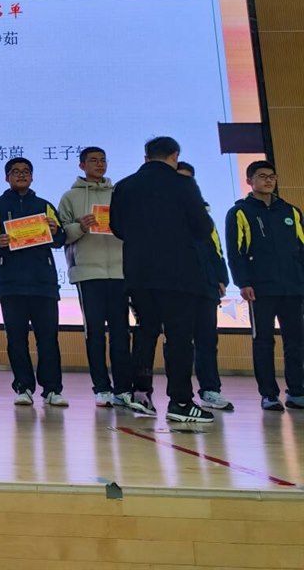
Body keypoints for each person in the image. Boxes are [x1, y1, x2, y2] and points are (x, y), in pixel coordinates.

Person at [110, 137, 216, 423]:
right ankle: (180, 402)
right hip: (179, 274)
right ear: (175, 155)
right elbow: (203, 228)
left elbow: (117, 227)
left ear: (146, 157)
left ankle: (140, 394)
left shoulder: (124, 185)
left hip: (138, 273)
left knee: (146, 332)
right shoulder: (183, 184)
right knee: (179, 338)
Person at [0, 157, 68, 407]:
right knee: (17, 340)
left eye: (26, 171)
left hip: (43, 284)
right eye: (15, 171)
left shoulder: (44, 206)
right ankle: (23, 387)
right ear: (6, 177)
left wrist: (55, 231)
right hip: (11, 284)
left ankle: (52, 390)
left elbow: (60, 238)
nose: (21, 175)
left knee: (48, 339)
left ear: (32, 176)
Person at [58, 147, 138, 410]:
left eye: (103, 160)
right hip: (88, 273)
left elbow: (133, 228)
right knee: (94, 333)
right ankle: (101, 388)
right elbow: (61, 235)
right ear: (81, 165)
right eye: (93, 160)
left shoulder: (119, 194)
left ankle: (123, 388)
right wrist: (80, 226)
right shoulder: (70, 197)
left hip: (119, 271)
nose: (99, 164)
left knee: (120, 333)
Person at [224, 160, 304, 412]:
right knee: (263, 341)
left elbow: (301, 249)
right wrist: (243, 282)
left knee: (296, 341)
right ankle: (269, 394)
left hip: (293, 288)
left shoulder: (291, 212)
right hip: (260, 289)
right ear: (249, 181)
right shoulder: (240, 212)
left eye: (272, 176)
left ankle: (297, 391)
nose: (268, 180)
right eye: (262, 176)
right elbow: (235, 252)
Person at [174, 161, 233, 411]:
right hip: (176, 287)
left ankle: (210, 390)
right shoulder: (162, 213)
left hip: (206, 285)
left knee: (207, 340)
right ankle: (180, 395)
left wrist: (220, 278)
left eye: (188, 180)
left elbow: (216, 249)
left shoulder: (203, 213)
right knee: (178, 342)